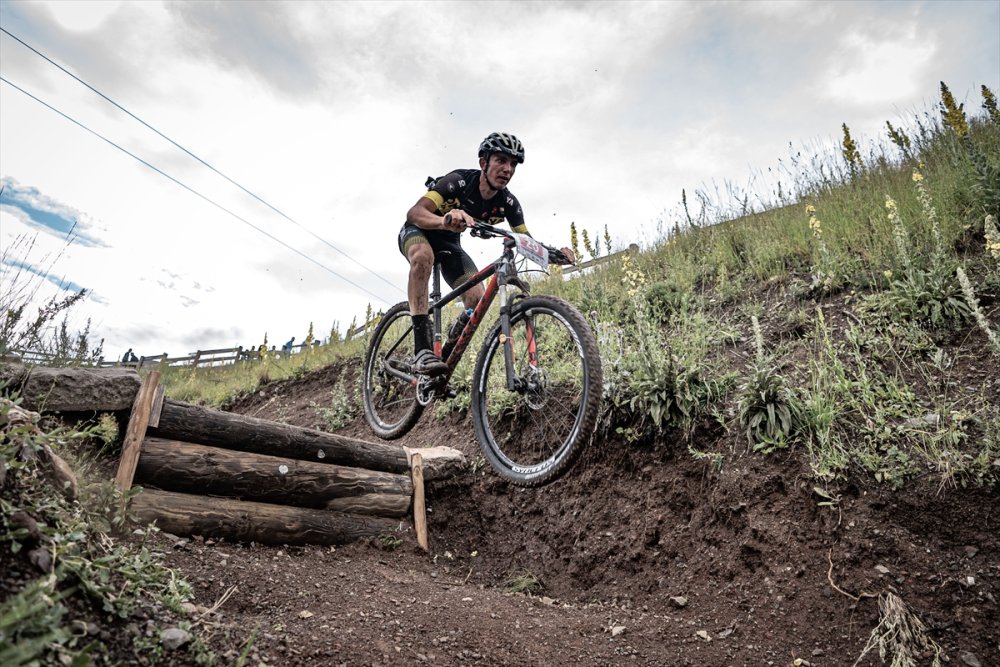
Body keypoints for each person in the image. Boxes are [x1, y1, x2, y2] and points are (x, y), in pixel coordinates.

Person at [398, 132, 575, 376]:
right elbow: (415, 212)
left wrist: (555, 254)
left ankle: (445, 359)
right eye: (501, 160)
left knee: (475, 298)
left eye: (513, 164)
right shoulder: (458, 181)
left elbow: (526, 240)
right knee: (422, 257)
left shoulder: (509, 204)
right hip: (420, 229)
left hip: (449, 242)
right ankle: (421, 350)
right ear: (484, 163)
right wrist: (445, 220)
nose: (508, 169)